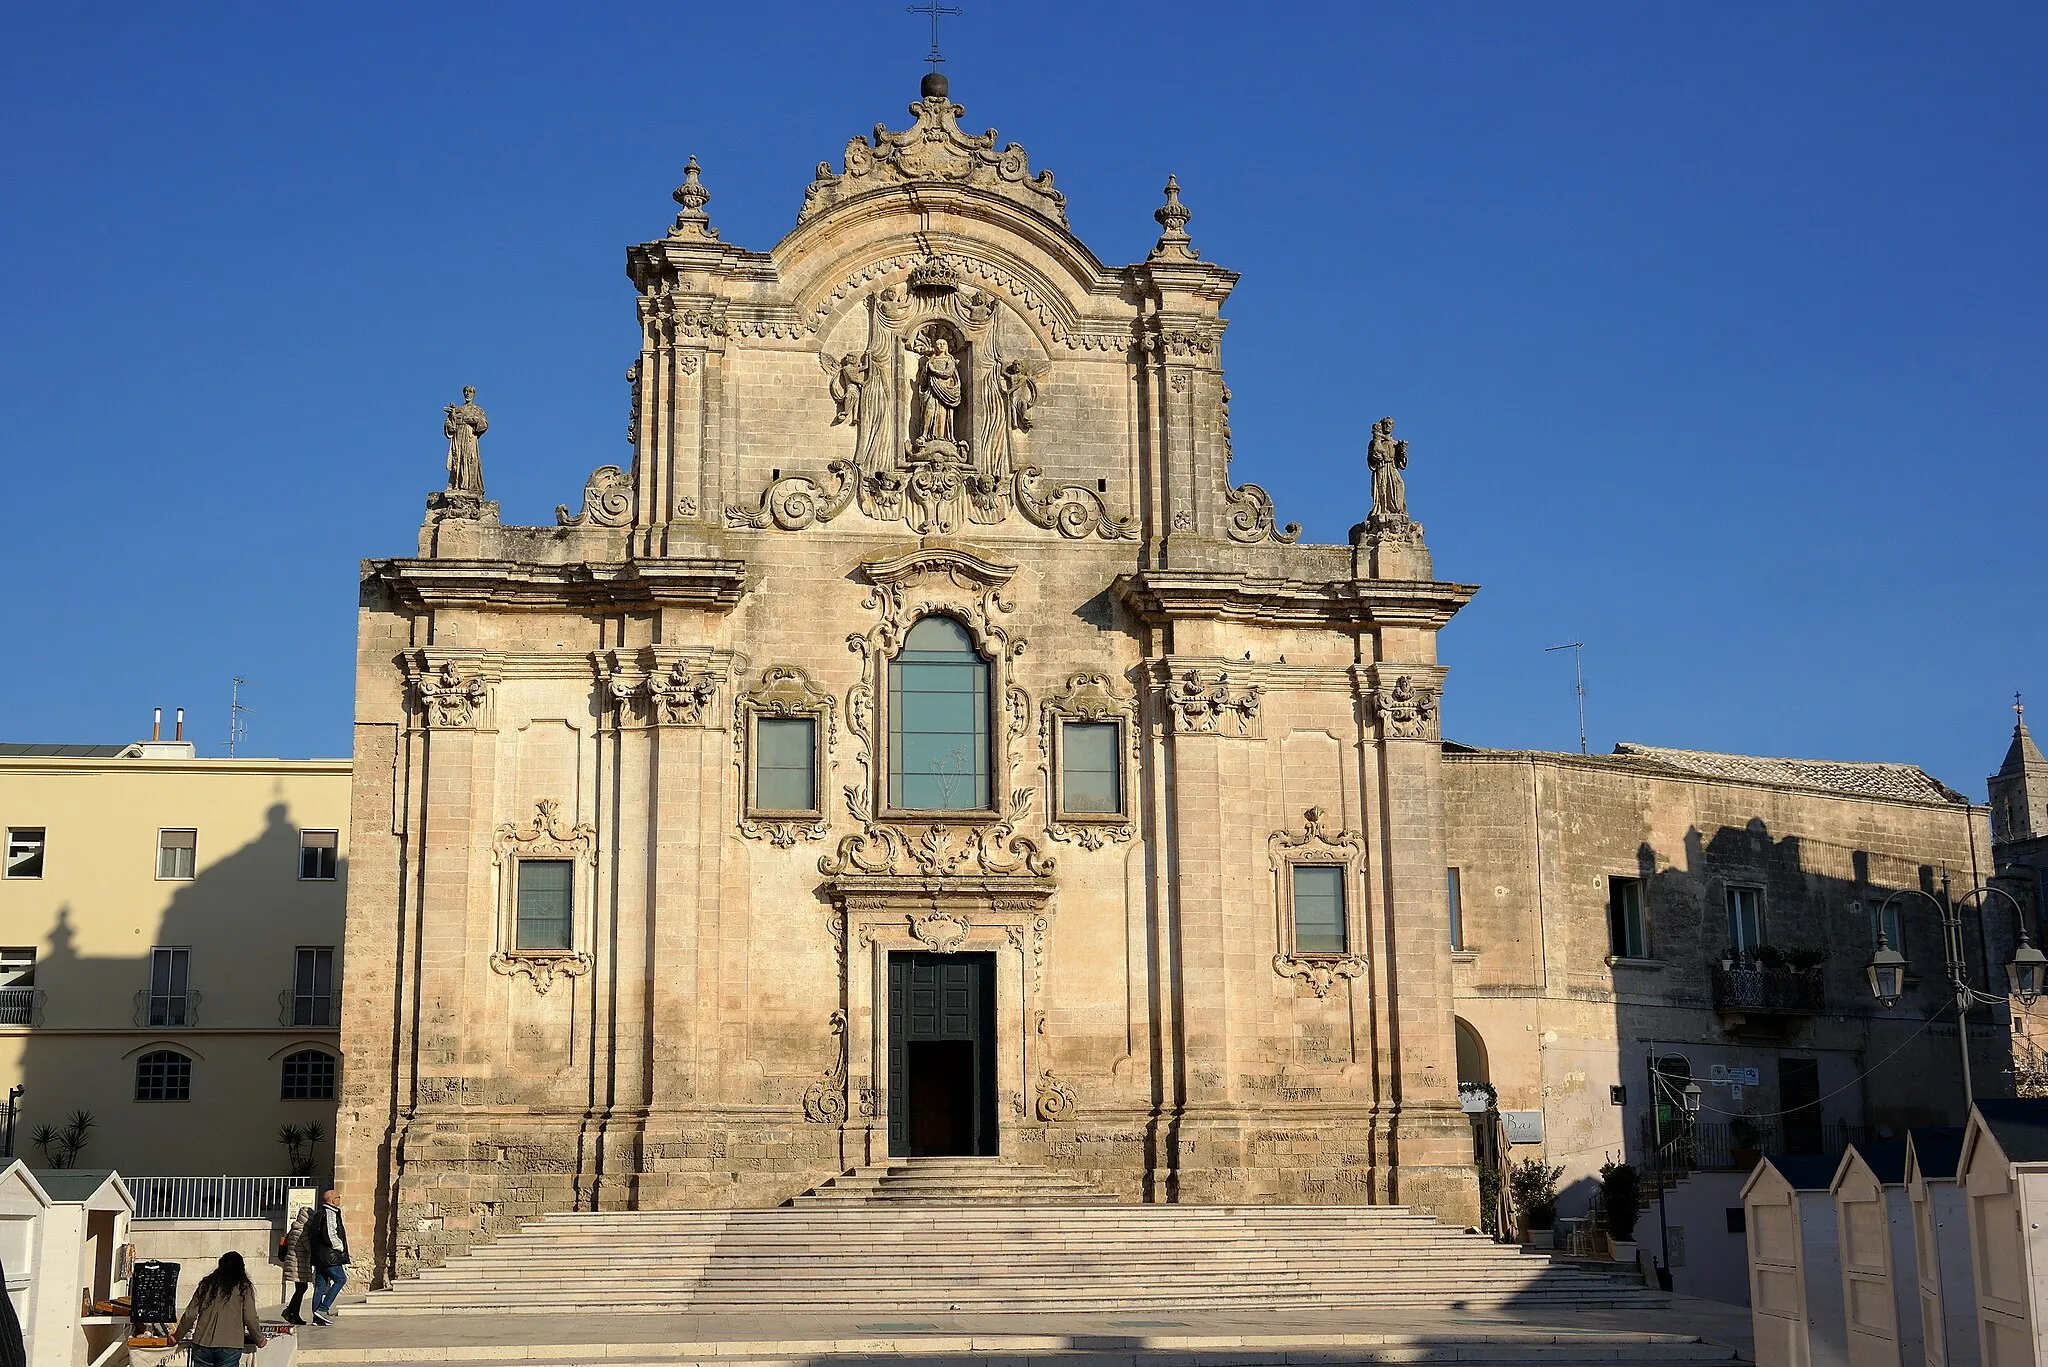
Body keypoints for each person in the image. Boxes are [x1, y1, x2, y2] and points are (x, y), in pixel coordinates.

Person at [170, 1252, 263, 1366]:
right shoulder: (244, 1287)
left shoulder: (206, 1284)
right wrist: (259, 1339)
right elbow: (250, 1317)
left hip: (202, 1343)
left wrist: (176, 1337)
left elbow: (190, 1314)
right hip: (229, 1345)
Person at [306, 1188, 352, 1326]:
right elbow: (331, 1234)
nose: (339, 1199)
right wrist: (340, 1248)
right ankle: (323, 1309)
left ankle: (317, 1317)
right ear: (332, 1200)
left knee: (320, 1285)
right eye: (338, 1197)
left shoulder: (318, 1214)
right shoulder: (329, 1213)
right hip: (329, 1256)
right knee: (341, 1279)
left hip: (319, 1256)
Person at [279, 1200, 315, 1325]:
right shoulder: (302, 1231)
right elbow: (307, 1247)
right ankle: (291, 1312)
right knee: (301, 1288)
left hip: (293, 1261)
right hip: (299, 1263)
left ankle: (292, 1312)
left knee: (300, 1288)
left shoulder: (294, 1228)